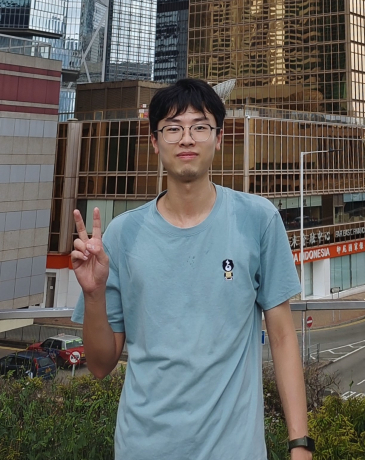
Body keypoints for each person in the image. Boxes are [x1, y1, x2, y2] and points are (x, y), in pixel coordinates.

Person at [70, 78, 314, 460]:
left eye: (200, 127)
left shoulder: (257, 219)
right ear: (155, 141)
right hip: (143, 449)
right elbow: (100, 365)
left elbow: (282, 338)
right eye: (173, 128)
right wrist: (93, 293)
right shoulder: (122, 234)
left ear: (219, 138)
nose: (187, 139)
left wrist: (300, 444)